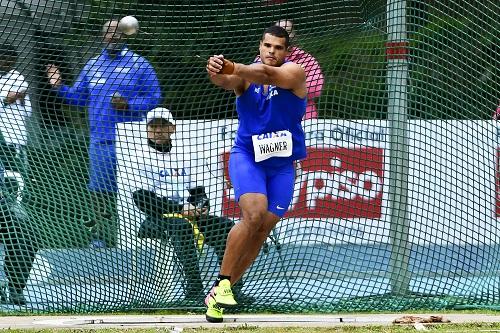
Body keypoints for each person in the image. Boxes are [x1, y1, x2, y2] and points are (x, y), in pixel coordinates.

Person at [204, 25, 307, 322]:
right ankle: (223, 281)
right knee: (253, 214)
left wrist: (234, 66)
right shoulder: (245, 75)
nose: (271, 51)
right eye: (267, 46)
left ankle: (218, 296)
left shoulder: (295, 73)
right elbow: (225, 80)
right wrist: (215, 69)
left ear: (286, 52)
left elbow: (268, 75)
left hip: (282, 166)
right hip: (247, 157)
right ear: (260, 46)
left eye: (278, 47)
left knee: (262, 230)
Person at [45, 19, 162, 248]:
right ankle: (100, 237)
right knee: (99, 192)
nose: (113, 35)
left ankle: (143, 237)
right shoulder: (92, 65)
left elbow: (155, 98)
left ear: (125, 34)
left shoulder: (139, 64)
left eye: (117, 31)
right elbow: (79, 98)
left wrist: (129, 104)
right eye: (108, 32)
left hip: (133, 142)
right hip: (101, 142)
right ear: (102, 36)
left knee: (137, 190)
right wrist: (59, 87)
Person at [132, 107, 253, 305]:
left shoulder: (184, 152)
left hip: (187, 214)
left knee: (226, 227)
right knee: (182, 228)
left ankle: (231, 289)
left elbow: (198, 192)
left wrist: (201, 206)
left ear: (173, 129)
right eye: (153, 126)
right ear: (147, 130)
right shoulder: (139, 156)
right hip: (156, 218)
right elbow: (143, 200)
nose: (158, 130)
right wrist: (180, 210)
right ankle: (194, 291)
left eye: (163, 126)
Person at [0, 44, 37, 305]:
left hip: (0, 203)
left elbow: (25, 107)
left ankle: (14, 287)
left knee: (24, 230)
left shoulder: (19, 77)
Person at [256, 19, 324, 119]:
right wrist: (292, 84)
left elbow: (317, 88)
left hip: (303, 119)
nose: (283, 34)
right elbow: (254, 89)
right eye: (279, 31)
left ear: (294, 34)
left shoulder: (307, 59)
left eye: (287, 31)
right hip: (268, 119)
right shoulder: (260, 60)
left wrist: (281, 85)